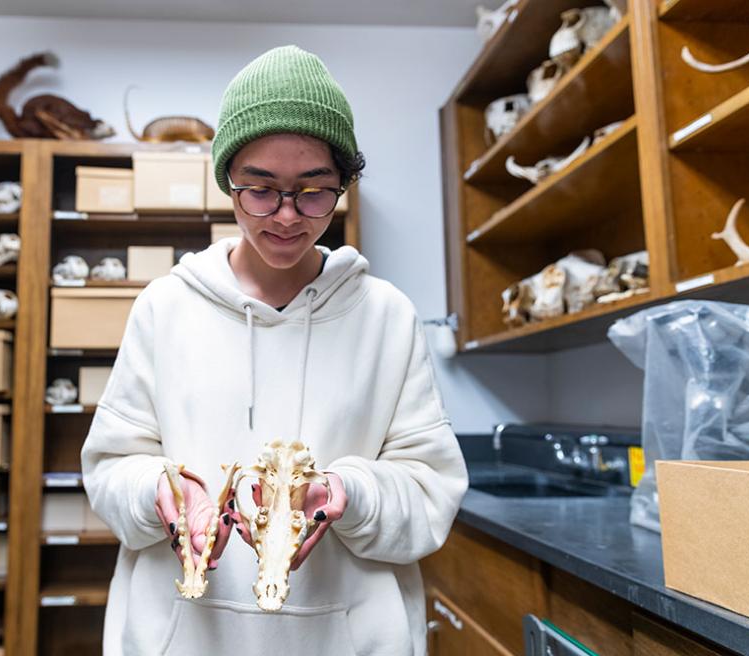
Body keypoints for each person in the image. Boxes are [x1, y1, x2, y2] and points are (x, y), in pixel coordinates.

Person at [82, 44, 468, 656]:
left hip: (348, 639)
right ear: (227, 183)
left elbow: (430, 491)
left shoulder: (387, 317)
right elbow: (108, 467)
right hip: (182, 636)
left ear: (344, 184)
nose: (286, 216)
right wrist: (159, 491)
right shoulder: (165, 308)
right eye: (260, 190)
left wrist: (351, 494)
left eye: (314, 191)